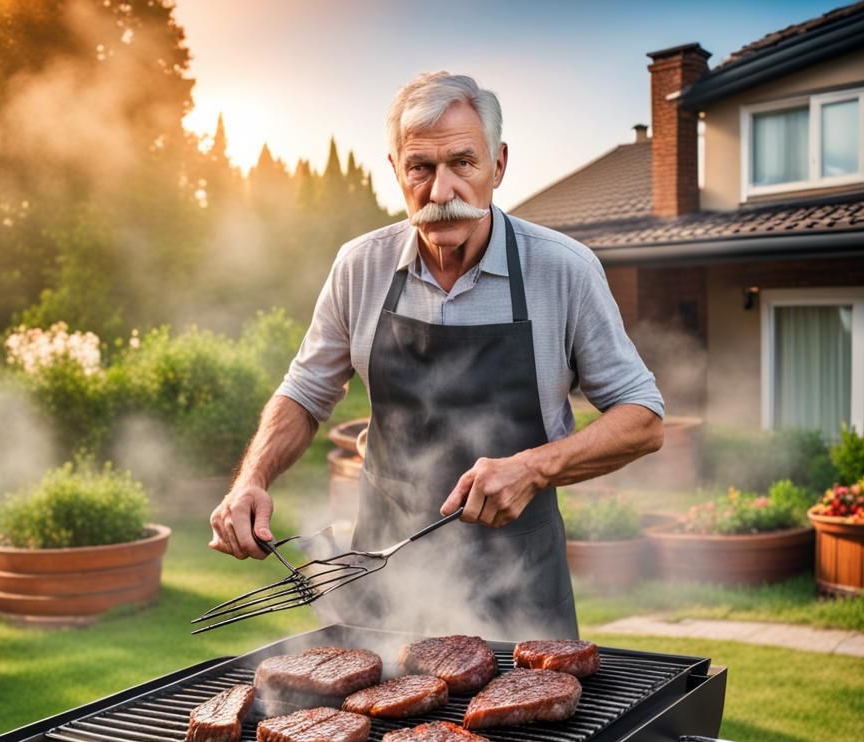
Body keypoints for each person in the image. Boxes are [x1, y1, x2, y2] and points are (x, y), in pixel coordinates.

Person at [208, 71, 663, 639]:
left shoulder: (562, 270)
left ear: (498, 166)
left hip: (520, 589)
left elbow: (643, 420)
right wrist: (250, 480)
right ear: (396, 169)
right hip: (384, 579)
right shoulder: (360, 267)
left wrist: (533, 466)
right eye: (420, 167)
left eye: (463, 164)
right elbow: (304, 393)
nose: (441, 192)